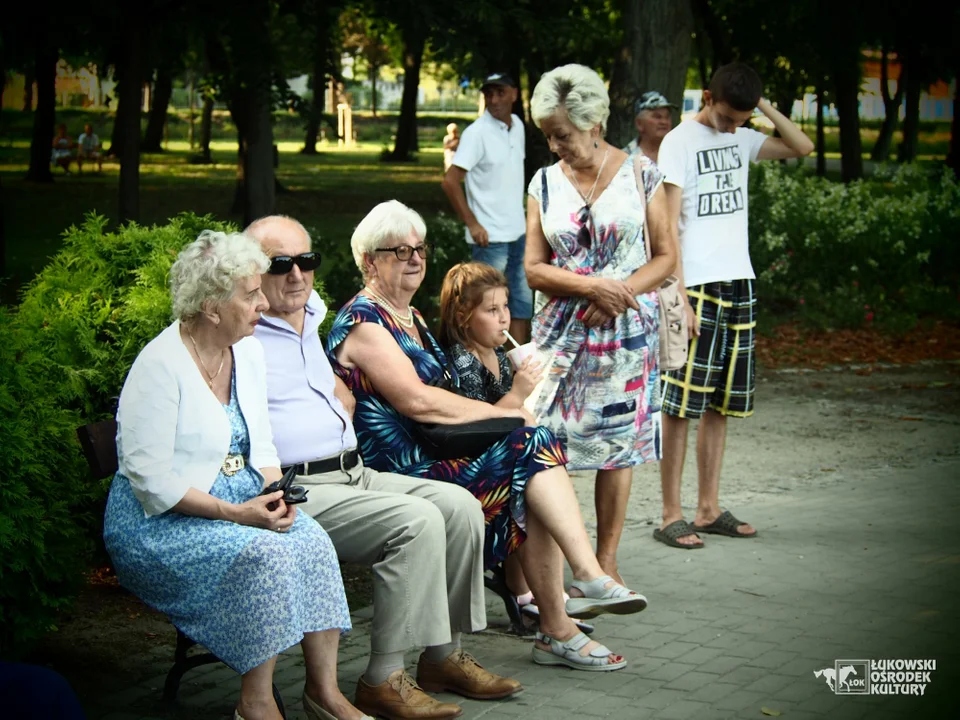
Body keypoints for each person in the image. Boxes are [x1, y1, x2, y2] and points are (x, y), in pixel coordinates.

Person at [327, 200, 647, 674]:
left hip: (438, 455)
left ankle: (565, 616)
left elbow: (441, 403)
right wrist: (511, 416)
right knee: (532, 446)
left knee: (533, 466)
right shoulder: (365, 322)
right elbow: (419, 402)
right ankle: (578, 592)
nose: (415, 258)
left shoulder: (409, 318)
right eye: (400, 250)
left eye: (420, 248)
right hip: (397, 472)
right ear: (370, 261)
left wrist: (510, 415)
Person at [248, 215, 521, 720]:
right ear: (250, 272)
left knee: (460, 506)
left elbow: (325, 373)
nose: (296, 275)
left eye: (305, 262)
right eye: (278, 264)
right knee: (415, 523)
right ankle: (383, 678)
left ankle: (442, 655)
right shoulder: (243, 336)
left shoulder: (308, 313)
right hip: (300, 484)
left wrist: (337, 397)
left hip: (354, 469)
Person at [103, 230, 366, 720]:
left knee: (312, 542)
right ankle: (256, 703)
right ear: (211, 307)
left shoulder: (246, 351)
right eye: (249, 294)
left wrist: (274, 494)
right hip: (161, 521)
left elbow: (260, 441)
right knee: (264, 556)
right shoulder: (159, 366)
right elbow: (151, 480)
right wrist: (237, 514)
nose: (263, 303)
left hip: (238, 497)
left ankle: (323, 694)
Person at [523, 64, 677, 584]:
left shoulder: (641, 175)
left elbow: (665, 258)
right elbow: (533, 267)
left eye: (560, 134)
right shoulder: (543, 182)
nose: (553, 144)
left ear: (594, 124)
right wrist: (592, 287)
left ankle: (605, 567)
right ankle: (554, 568)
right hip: (559, 338)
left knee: (617, 451)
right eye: (546, 134)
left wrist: (619, 293)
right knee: (545, 448)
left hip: (625, 338)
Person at [655, 62, 814, 548]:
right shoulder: (679, 140)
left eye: (740, 119)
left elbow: (802, 146)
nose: (730, 127)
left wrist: (758, 105)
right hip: (695, 286)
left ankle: (708, 507)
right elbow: (667, 221)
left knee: (722, 403)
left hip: (738, 282)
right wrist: (677, 296)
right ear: (707, 97)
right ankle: (670, 514)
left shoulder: (743, 135)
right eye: (725, 116)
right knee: (681, 404)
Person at [441, 72, 532, 344]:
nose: (493, 100)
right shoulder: (476, 133)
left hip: (518, 232)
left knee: (520, 305)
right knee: (486, 310)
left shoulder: (517, 125)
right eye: (488, 94)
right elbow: (450, 181)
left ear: (514, 94)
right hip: (489, 238)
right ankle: (485, 373)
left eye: (500, 92)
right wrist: (472, 223)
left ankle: (519, 370)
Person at [624, 91, 678, 164]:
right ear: (639, 123)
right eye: (657, 117)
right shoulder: (624, 157)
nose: (664, 122)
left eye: (667, 117)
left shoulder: (679, 154)